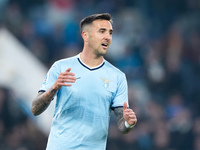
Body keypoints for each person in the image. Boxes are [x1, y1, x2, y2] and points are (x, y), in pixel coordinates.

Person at [31, 13, 137, 150]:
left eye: (110, 33)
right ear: (85, 35)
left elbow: (122, 124)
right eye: (102, 31)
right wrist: (53, 89)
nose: (108, 37)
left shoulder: (117, 77)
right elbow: (35, 109)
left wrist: (128, 124)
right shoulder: (61, 67)